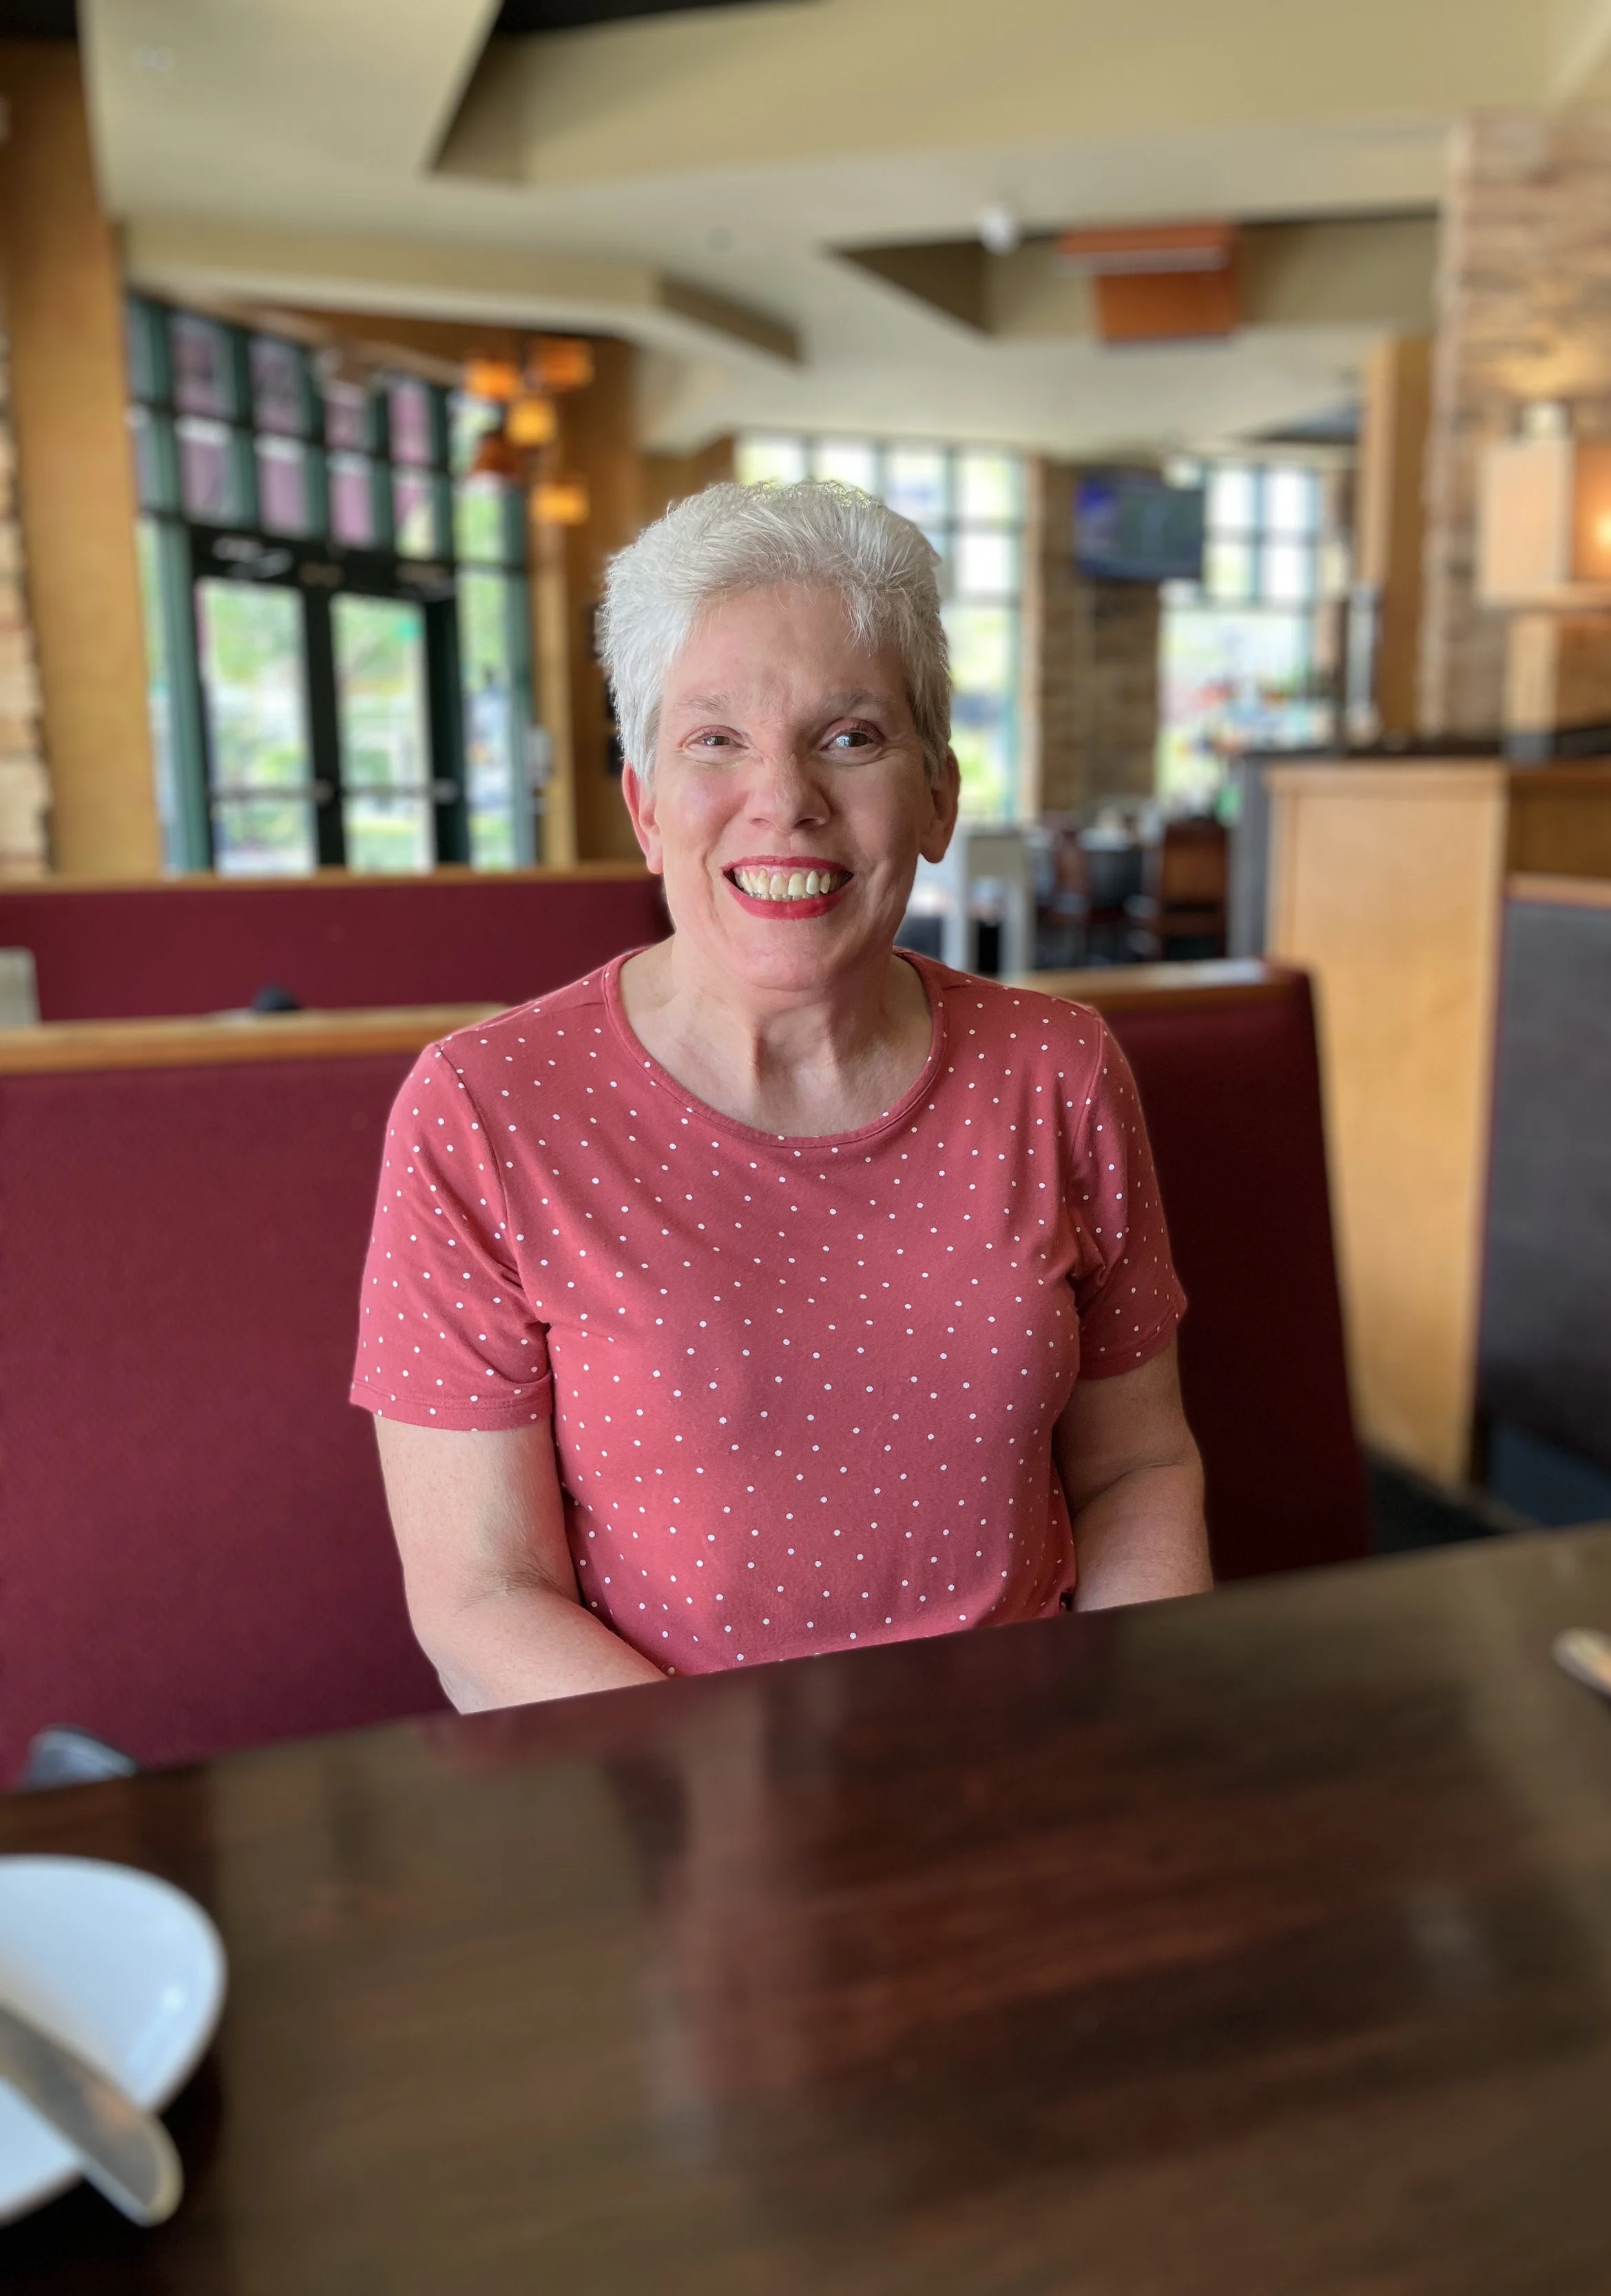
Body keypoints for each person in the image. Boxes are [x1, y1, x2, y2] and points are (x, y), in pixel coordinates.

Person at [352, 479, 1209, 1710]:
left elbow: (1138, 1470)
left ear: (939, 796)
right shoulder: (484, 1112)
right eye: (716, 740)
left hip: (1026, 1756)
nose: (786, 798)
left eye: (850, 737)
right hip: (666, 1776)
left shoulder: (1057, 1068)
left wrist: (1120, 1741)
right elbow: (482, 1596)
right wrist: (730, 1794)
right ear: (646, 808)